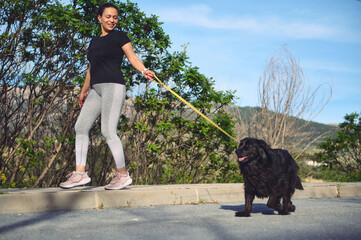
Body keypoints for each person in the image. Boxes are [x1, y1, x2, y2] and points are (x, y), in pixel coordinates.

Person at [60, 3, 154, 190]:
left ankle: (122, 175)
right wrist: (84, 90)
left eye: (115, 17)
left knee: (108, 131)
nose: (112, 20)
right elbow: (91, 68)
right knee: (81, 127)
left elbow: (132, 57)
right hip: (96, 89)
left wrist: (143, 69)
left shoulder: (120, 36)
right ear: (99, 18)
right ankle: (80, 174)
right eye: (108, 16)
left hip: (113, 86)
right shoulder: (94, 42)